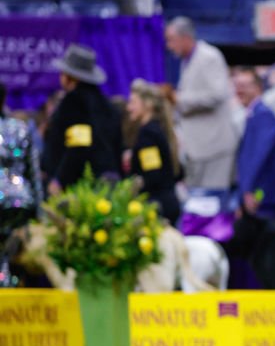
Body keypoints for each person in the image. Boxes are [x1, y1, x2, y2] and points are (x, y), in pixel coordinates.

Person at [165, 16, 238, 192]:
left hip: (215, 148)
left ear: (185, 38)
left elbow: (218, 94)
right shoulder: (187, 60)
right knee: (198, 204)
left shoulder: (209, 56)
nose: (169, 46)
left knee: (213, 203)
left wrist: (178, 99)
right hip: (198, 149)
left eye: (171, 40)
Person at [41, 44, 121, 195]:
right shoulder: (107, 105)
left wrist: (60, 180)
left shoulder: (74, 102)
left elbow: (78, 146)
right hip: (107, 180)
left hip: (79, 186)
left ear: (71, 77)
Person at [233, 68, 275, 219]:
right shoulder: (254, 114)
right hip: (259, 195)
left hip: (262, 197)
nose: (239, 90)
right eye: (237, 85)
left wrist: (248, 190)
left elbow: (258, 157)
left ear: (258, 87)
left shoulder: (263, 115)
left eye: (244, 85)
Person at [124, 79, 181, 224]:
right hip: (165, 204)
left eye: (133, 102)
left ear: (147, 105)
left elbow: (152, 174)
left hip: (158, 208)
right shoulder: (155, 129)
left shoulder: (148, 134)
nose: (129, 108)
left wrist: (129, 188)